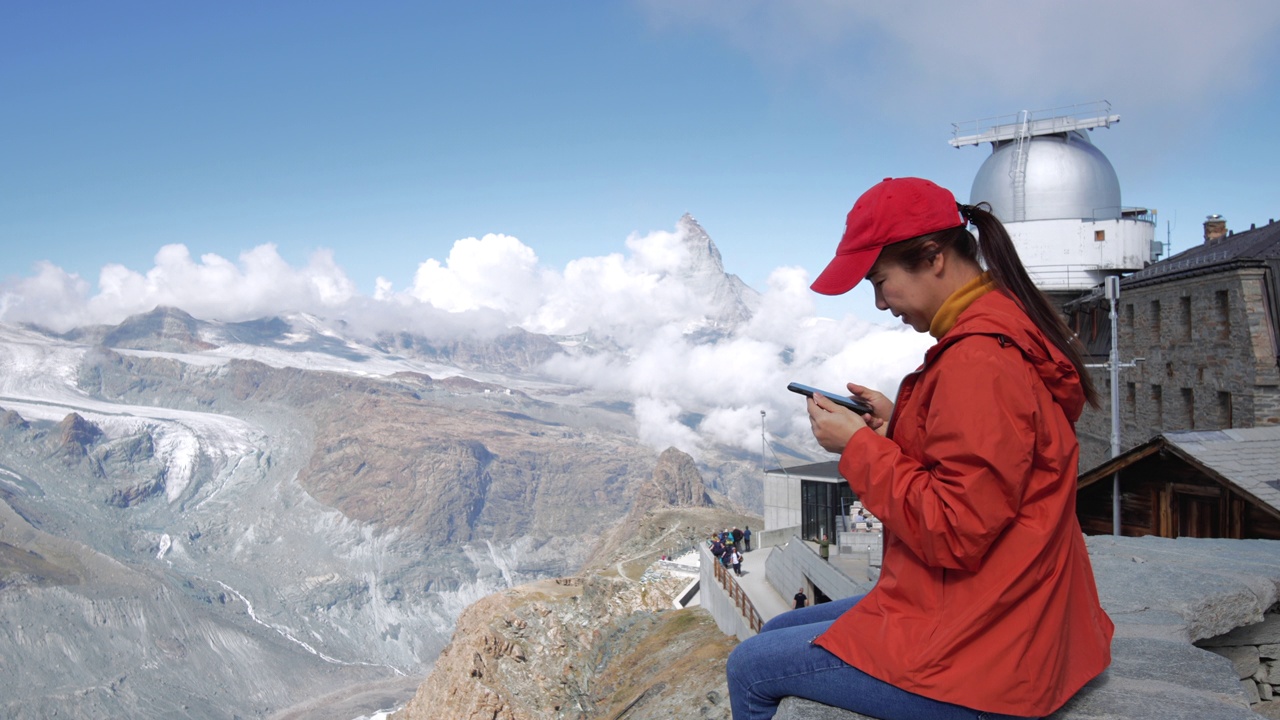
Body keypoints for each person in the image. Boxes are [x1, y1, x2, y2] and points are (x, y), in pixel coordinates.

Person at [726, 177, 1114, 720]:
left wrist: (858, 446)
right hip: (1005, 602)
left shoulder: (978, 361)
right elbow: (986, 463)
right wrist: (898, 430)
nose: (881, 303)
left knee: (750, 666)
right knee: (782, 627)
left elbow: (954, 529)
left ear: (933, 257)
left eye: (881, 282)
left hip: (994, 650)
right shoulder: (1003, 326)